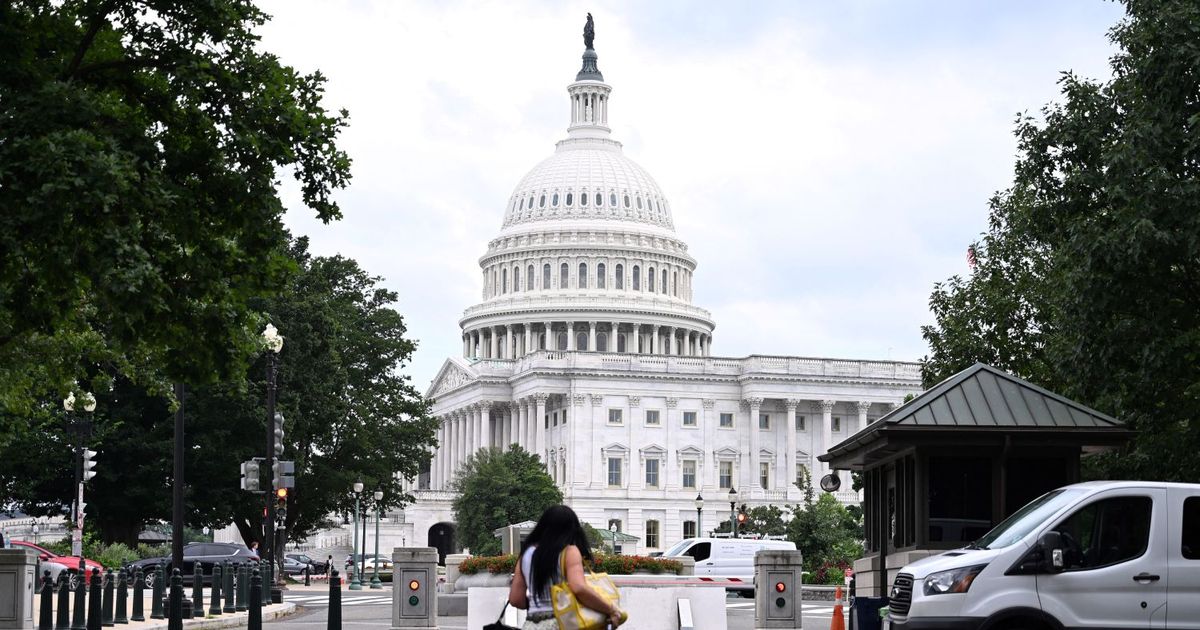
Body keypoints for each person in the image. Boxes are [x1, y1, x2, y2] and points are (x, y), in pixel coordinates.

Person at [508, 505, 624, 629]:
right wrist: (611, 609)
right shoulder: (569, 551)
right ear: (571, 529)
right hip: (561, 623)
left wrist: (537, 604)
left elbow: (516, 599)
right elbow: (579, 588)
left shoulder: (526, 554)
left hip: (531, 625)